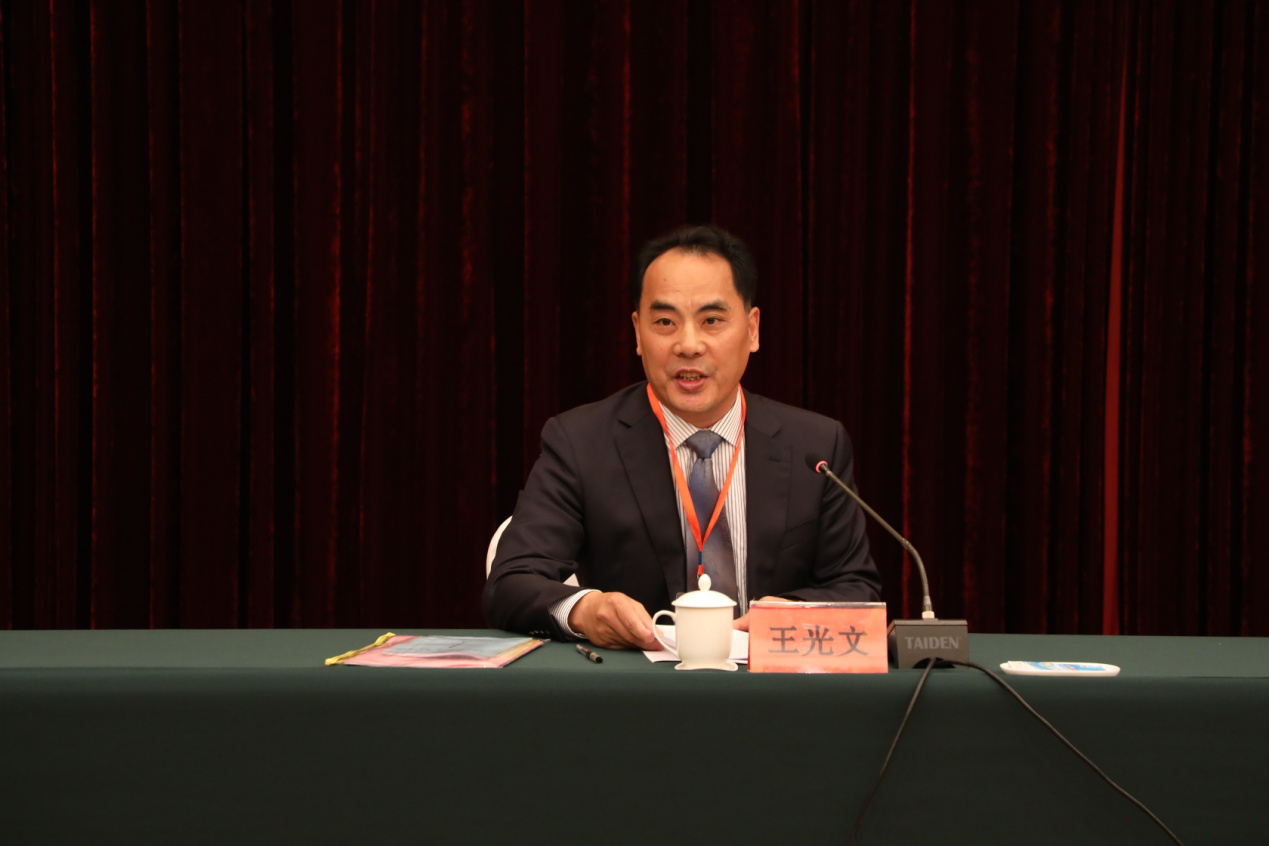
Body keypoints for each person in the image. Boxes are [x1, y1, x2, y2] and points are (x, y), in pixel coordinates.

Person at [483, 224, 882, 649]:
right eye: (665, 322)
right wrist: (585, 610)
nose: (688, 345)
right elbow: (511, 581)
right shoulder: (581, 443)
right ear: (638, 333)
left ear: (752, 329)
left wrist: (791, 616)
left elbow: (856, 588)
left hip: (769, 681)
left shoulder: (815, 446)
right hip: (639, 683)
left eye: (711, 320)